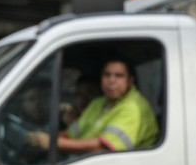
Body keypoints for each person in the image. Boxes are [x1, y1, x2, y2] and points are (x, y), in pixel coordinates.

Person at [29, 57, 158, 154]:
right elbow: (75, 132)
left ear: (130, 81)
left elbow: (103, 147)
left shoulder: (133, 107)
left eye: (119, 76)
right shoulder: (99, 103)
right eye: (107, 75)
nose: (111, 81)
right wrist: (47, 137)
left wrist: (54, 143)